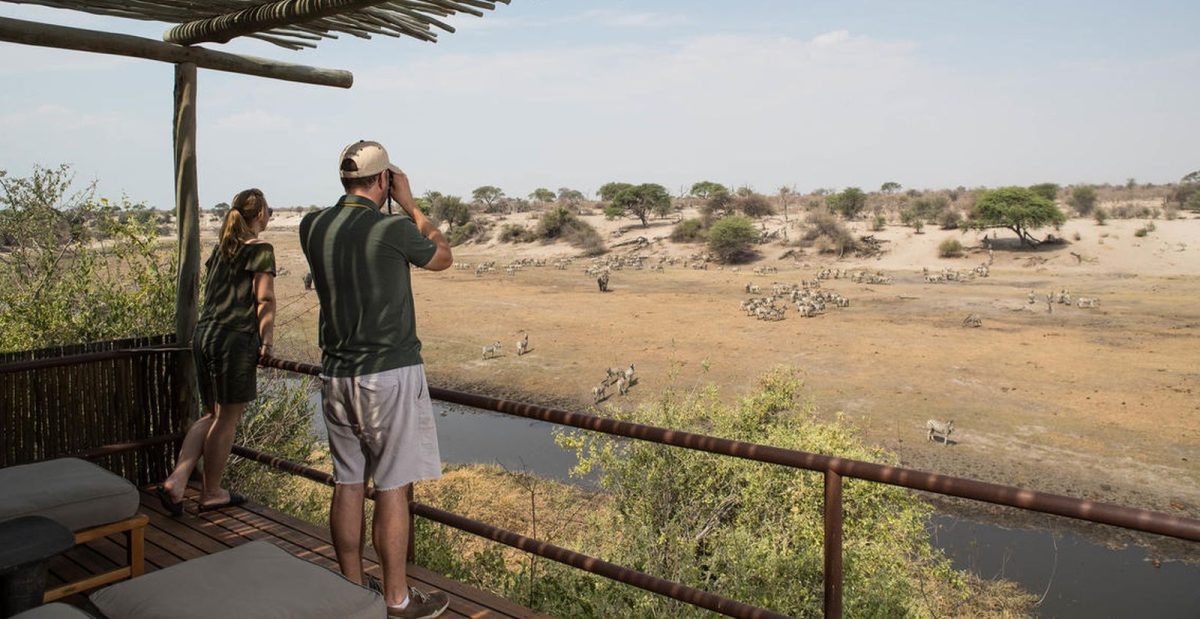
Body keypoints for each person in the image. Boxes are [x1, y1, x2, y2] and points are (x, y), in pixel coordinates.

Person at [300, 141, 452, 619]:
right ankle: (396, 600)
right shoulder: (391, 228)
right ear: (384, 179)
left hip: (337, 373)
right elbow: (443, 256)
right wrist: (410, 204)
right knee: (391, 486)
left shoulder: (312, 225)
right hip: (388, 375)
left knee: (347, 482)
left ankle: (351, 589)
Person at [157, 188, 276, 515]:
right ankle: (211, 492)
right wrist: (266, 341)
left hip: (204, 335)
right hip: (232, 339)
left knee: (211, 414)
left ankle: (177, 481)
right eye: (267, 210)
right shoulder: (260, 249)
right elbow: (264, 299)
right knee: (226, 419)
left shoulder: (222, 250)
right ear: (260, 215)